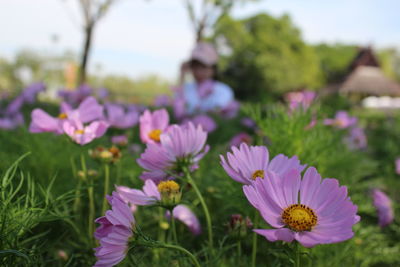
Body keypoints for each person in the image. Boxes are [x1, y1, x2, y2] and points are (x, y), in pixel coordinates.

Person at [176, 42, 235, 116]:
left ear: (213, 68)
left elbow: (219, 113)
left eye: (203, 67)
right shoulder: (187, 88)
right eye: (195, 66)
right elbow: (178, 110)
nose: (198, 71)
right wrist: (182, 76)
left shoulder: (223, 90)